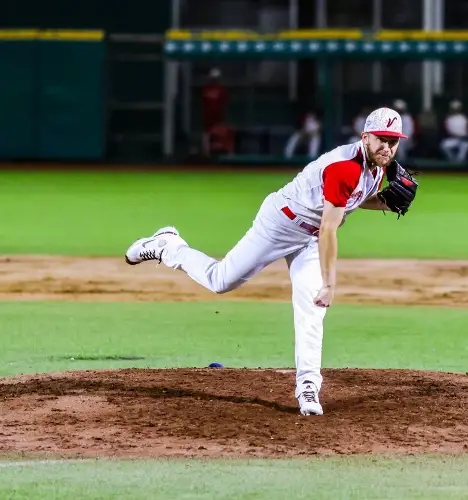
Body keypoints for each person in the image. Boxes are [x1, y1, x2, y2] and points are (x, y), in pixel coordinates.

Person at [124, 107, 419, 416]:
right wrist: (330, 283)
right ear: (365, 137)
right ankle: (169, 246)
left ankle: (308, 387)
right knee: (220, 281)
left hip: (309, 236)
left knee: (312, 305)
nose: (388, 147)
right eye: (382, 140)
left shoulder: (378, 167)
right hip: (280, 224)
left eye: (393, 141)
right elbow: (330, 228)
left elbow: (350, 200)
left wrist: (384, 200)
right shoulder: (344, 167)